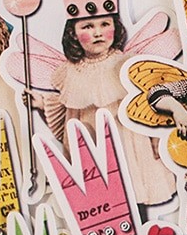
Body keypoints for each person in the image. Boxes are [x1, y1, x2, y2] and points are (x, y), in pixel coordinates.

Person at [25, 14, 176, 222]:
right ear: (73, 34)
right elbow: (69, 117)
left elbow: (147, 104)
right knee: (104, 204)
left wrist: (157, 139)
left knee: (133, 194)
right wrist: (43, 104)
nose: (97, 33)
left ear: (115, 27)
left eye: (105, 24)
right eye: (87, 26)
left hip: (130, 146)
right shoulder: (71, 72)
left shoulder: (127, 64)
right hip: (94, 148)